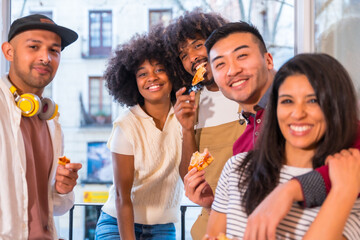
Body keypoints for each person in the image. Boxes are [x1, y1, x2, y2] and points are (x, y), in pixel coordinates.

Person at [205, 53, 360, 239]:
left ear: (336, 108)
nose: (298, 113)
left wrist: (342, 191)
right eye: (287, 101)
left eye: (313, 101)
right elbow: (215, 234)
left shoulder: (347, 183)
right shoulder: (236, 167)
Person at [94, 27, 183, 240]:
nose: (151, 78)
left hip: (163, 226)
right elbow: (120, 195)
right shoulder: (126, 125)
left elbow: (189, 172)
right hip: (118, 223)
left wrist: (188, 128)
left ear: (173, 73)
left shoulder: (185, 115)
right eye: (142, 74)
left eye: (159, 69)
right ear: (133, 82)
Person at [164, 10, 246, 239]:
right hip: (210, 223)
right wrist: (187, 128)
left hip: (253, 221)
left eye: (197, 45)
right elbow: (189, 176)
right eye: (183, 55)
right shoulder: (192, 103)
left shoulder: (245, 92)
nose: (192, 58)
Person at [0, 14, 82, 239]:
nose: (45, 57)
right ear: (9, 51)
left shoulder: (51, 121)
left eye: (54, 50)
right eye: (34, 46)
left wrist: (62, 189)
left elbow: (57, 207)